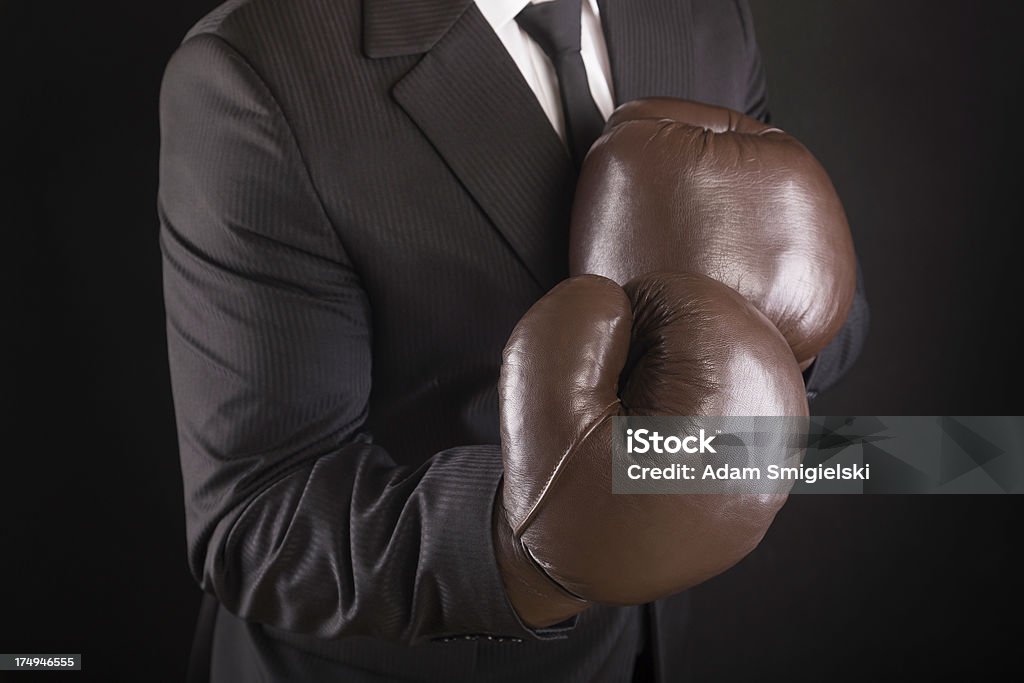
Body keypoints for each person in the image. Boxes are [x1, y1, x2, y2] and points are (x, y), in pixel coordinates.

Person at [158, 0, 869, 681]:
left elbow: (821, 300)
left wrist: (780, 343)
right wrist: (522, 551)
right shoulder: (255, 71)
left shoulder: (705, 13)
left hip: (654, 649)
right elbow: (258, 515)